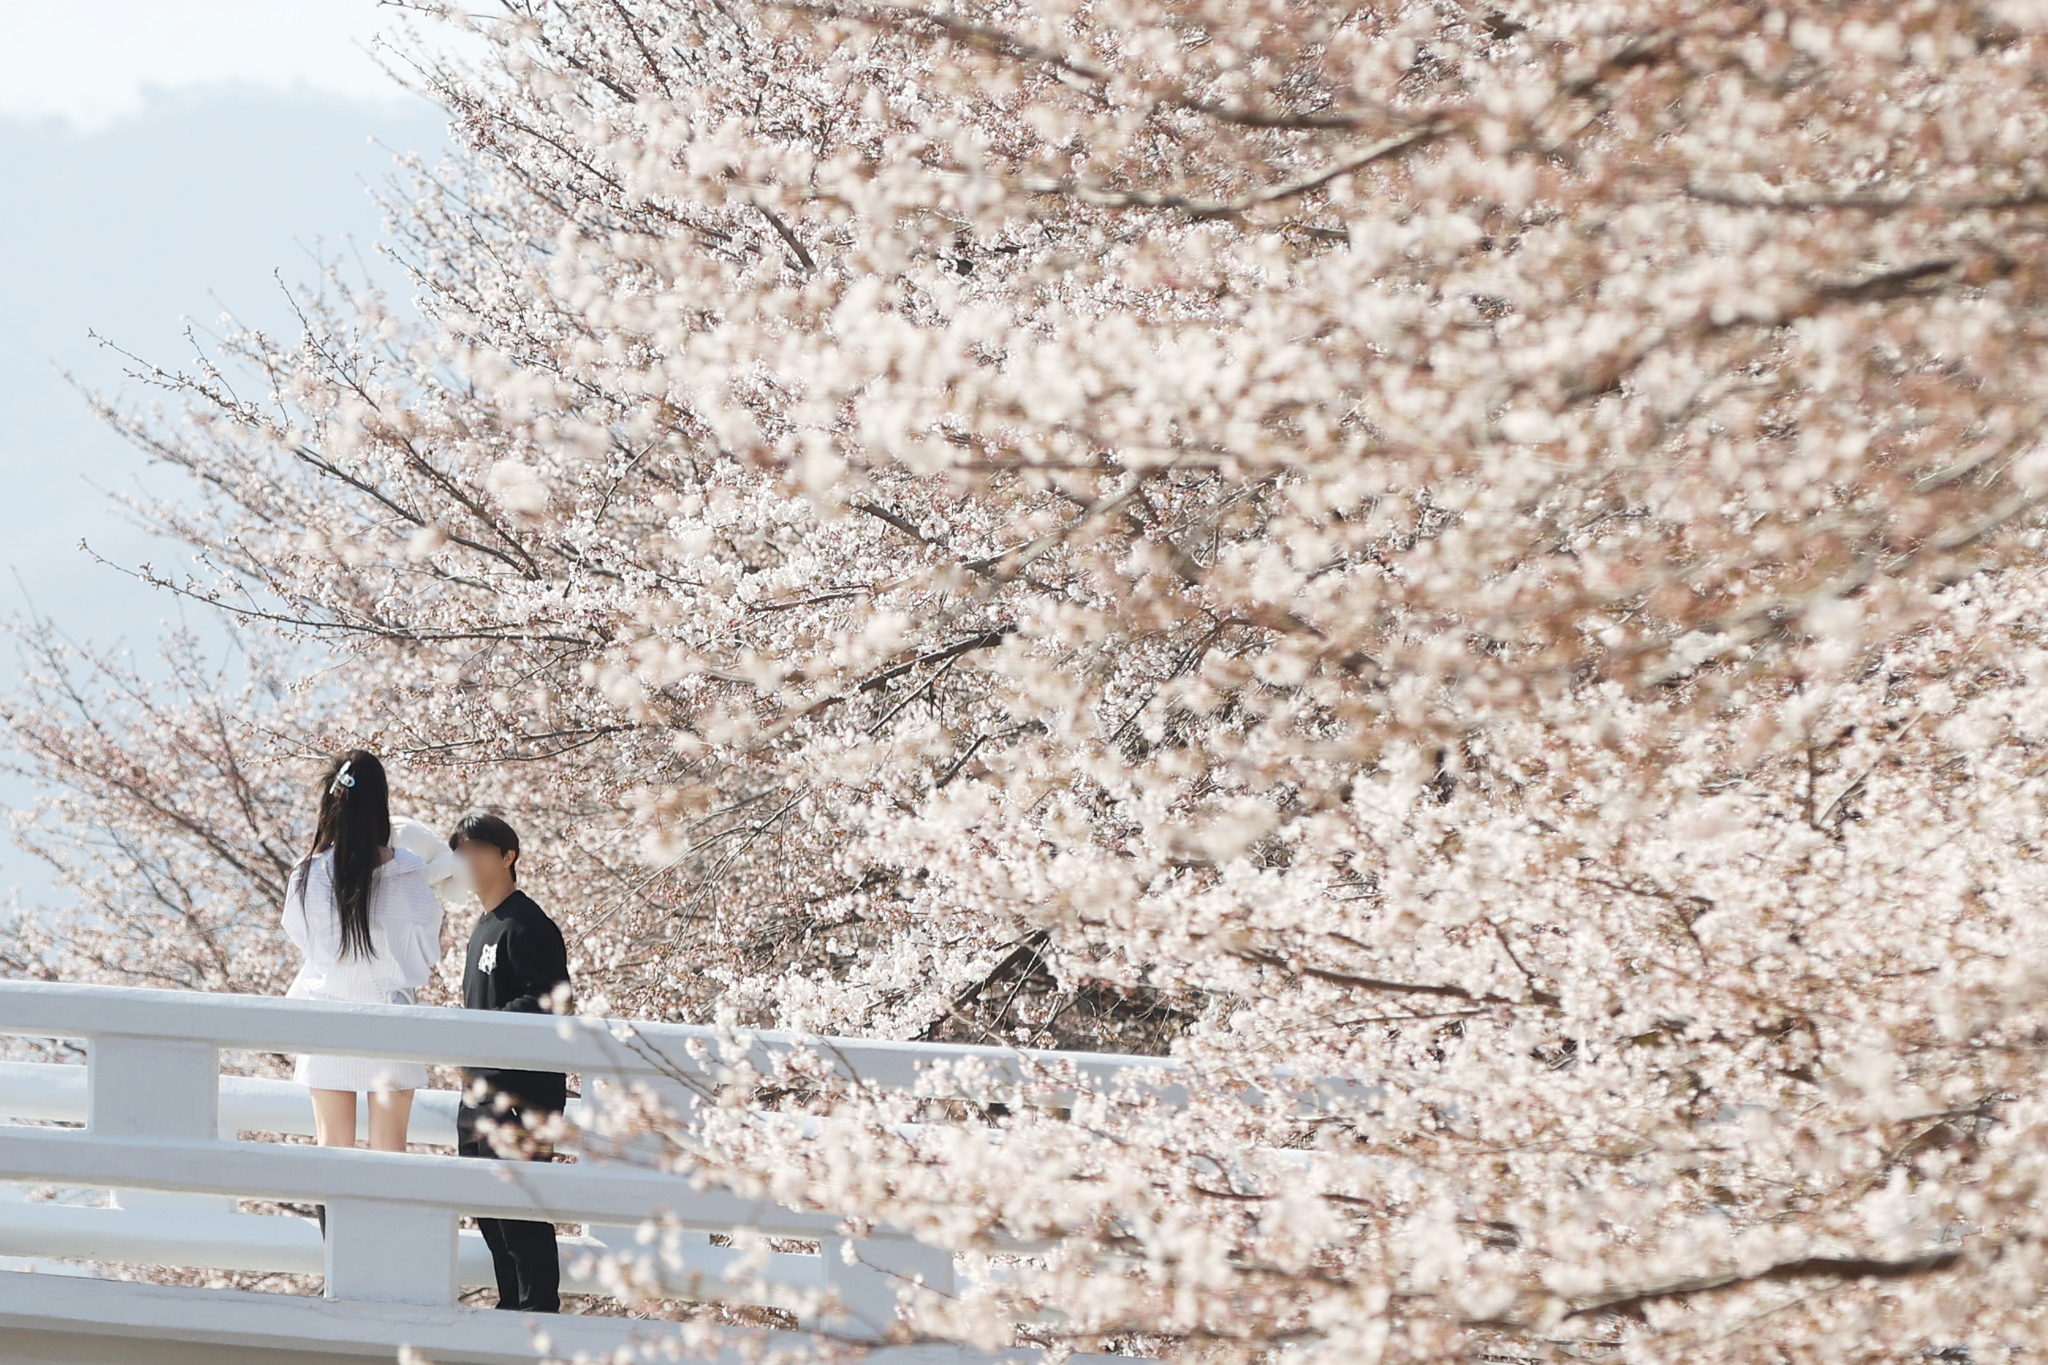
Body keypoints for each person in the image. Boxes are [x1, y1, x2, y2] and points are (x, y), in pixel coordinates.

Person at [281, 750, 445, 1160]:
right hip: (394, 1021)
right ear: (382, 803)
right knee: (391, 1153)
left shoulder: (308, 874)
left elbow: (304, 941)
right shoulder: (410, 873)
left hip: (327, 1019)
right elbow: (427, 952)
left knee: (331, 1150)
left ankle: (333, 1228)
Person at [450, 812, 571, 1315]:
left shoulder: (527, 925)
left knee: (521, 1216)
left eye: (480, 849)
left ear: (508, 857)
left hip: (521, 1099)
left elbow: (552, 1003)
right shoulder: (483, 927)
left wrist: (482, 1029)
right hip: (480, 1097)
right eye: (462, 851)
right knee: (490, 1217)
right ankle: (510, 1311)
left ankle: (537, 1315)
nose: (468, 860)